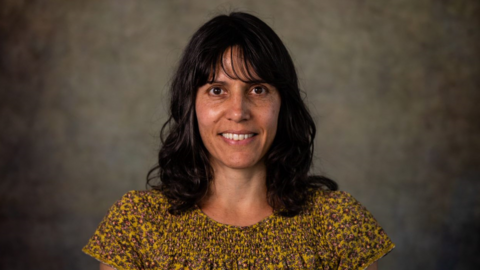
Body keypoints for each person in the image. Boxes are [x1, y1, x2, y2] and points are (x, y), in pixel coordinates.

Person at [83, 12, 395, 270]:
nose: (238, 111)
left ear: (282, 103)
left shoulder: (340, 224)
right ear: (191, 105)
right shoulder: (136, 223)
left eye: (258, 89)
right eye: (217, 90)